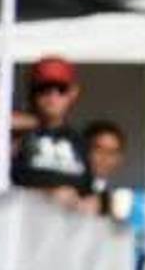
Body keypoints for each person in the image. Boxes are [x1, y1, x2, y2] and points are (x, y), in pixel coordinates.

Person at [10, 56, 92, 205]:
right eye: (43, 89)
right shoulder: (14, 131)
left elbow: (89, 191)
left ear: (73, 93)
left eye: (61, 89)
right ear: (32, 92)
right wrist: (46, 195)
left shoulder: (79, 141)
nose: (52, 96)